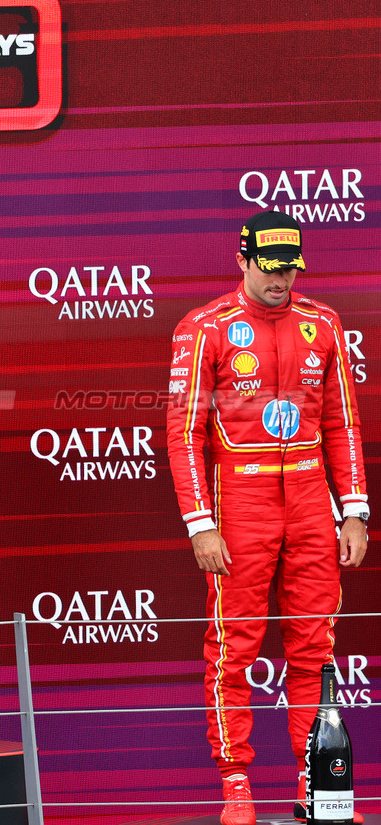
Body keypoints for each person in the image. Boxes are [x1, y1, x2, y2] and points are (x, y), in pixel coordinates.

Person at [166, 210, 368, 825]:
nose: (282, 280)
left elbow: (343, 424)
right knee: (233, 650)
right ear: (243, 259)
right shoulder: (205, 326)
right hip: (241, 504)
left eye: (291, 268)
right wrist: (201, 522)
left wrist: (354, 510)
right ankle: (236, 787)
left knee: (315, 650)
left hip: (310, 500)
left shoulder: (323, 322)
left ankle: (319, 793)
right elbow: (182, 432)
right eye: (271, 267)